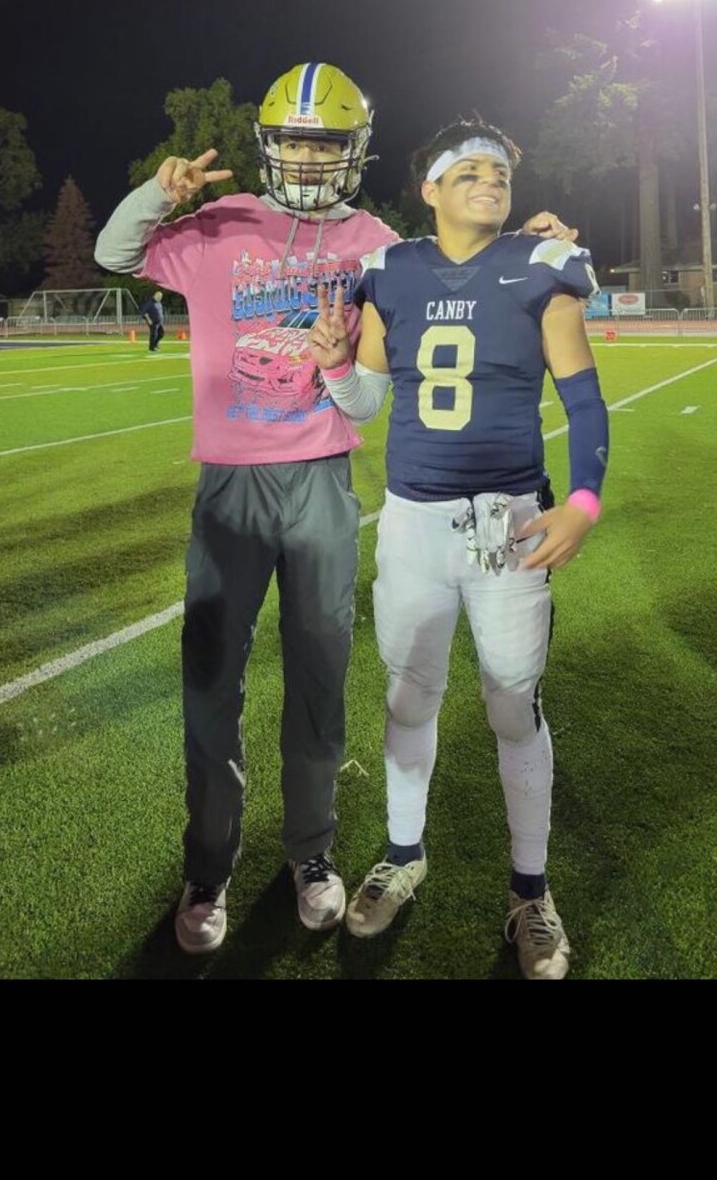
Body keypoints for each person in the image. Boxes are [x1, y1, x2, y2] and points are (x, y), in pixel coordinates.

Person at [95, 66, 574, 957]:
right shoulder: (218, 223)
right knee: (212, 681)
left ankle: (311, 853)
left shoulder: (374, 241)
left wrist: (529, 241)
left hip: (321, 480)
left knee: (319, 679)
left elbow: (457, 260)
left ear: (351, 152)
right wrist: (159, 193)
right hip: (231, 484)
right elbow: (114, 254)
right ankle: (209, 867)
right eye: (296, 141)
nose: (310, 159)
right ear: (270, 145)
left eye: (326, 144)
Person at [308, 116, 609, 980]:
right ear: (430, 189)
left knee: (513, 707)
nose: (490, 180)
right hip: (413, 525)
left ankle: (530, 890)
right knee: (408, 700)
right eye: (469, 169)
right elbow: (366, 402)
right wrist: (335, 365)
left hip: (508, 523)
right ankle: (404, 853)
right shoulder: (390, 270)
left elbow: (584, 402)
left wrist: (583, 501)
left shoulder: (542, 264)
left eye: (500, 172)